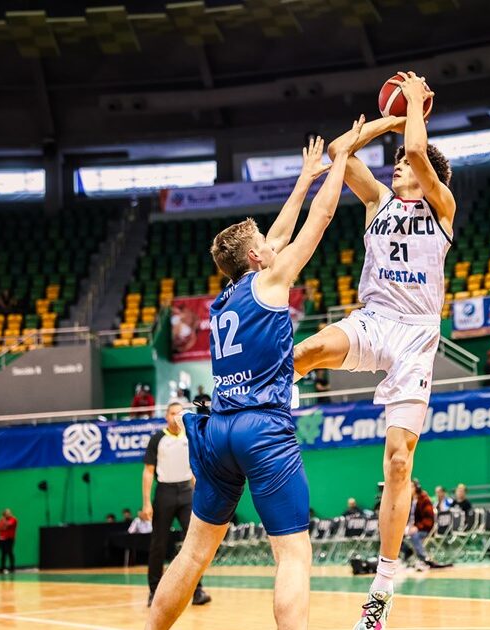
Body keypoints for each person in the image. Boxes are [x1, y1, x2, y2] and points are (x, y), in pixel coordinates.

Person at [145, 126, 358, 630]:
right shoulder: (272, 280)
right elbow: (321, 220)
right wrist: (341, 160)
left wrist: (305, 177)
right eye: (264, 242)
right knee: (292, 555)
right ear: (258, 257)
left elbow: (277, 235)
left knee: (195, 554)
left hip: (218, 430)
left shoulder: (224, 300)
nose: (272, 242)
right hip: (261, 427)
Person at [290, 71, 456, 629]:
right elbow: (338, 151)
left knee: (399, 461)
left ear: (428, 174)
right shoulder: (379, 201)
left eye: (406, 164)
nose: (398, 165)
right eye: (399, 163)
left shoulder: (440, 205)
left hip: (415, 338)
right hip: (374, 319)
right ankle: (239, 402)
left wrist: (413, 107)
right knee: (304, 352)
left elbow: (414, 146)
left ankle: (382, 591)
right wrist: (388, 115)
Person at [142, 401, 210, 608]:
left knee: (193, 543)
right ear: (166, 416)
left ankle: (197, 590)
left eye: (179, 413)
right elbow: (148, 472)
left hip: (186, 493)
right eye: (172, 413)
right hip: (164, 492)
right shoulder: (157, 439)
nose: (175, 417)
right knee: (158, 544)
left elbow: (197, 466)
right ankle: (154, 591)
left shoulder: (190, 437)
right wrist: (146, 503)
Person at [0, 508, 17, 574]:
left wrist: (3, 520)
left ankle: (12, 568)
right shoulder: (1, 520)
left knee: (10, 552)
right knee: (3, 554)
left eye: (9, 513)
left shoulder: (13, 519)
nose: (9, 514)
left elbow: (8, 525)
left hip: (10, 539)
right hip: (3, 539)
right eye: (7, 513)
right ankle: (2, 568)